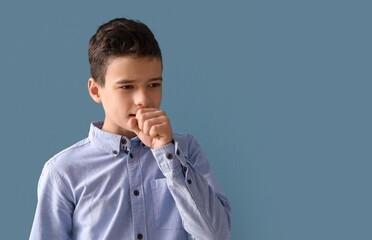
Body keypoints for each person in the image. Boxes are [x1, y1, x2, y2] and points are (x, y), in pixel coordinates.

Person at [29, 18, 231, 240]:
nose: (143, 99)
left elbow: (216, 235)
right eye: (127, 87)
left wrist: (167, 154)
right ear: (96, 91)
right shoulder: (63, 171)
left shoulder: (185, 150)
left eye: (154, 84)